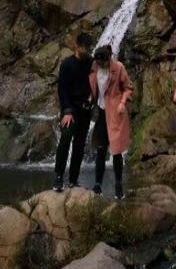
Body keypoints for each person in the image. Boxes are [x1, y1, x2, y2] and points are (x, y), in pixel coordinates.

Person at [90, 44, 133, 201]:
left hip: (115, 112)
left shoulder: (118, 67)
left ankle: (118, 185)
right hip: (101, 112)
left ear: (108, 59)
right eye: (99, 63)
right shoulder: (94, 66)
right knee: (101, 149)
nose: (102, 66)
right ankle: (97, 184)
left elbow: (128, 87)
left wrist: (122, 102)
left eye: (104, 63)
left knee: (116, 150)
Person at [53, 32, 94, 192]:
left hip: (85, 108)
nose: (86, 51)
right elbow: (62, 90)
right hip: (70, 109)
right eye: (84, 47)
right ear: (77, 46)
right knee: (65, 139)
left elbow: (95, 82)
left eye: (88, 48)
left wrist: (92, 97)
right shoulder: (67, 64)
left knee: (79, 145)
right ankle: (58, 177)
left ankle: (73, 180)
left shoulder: (90, 63)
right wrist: (67, 111)